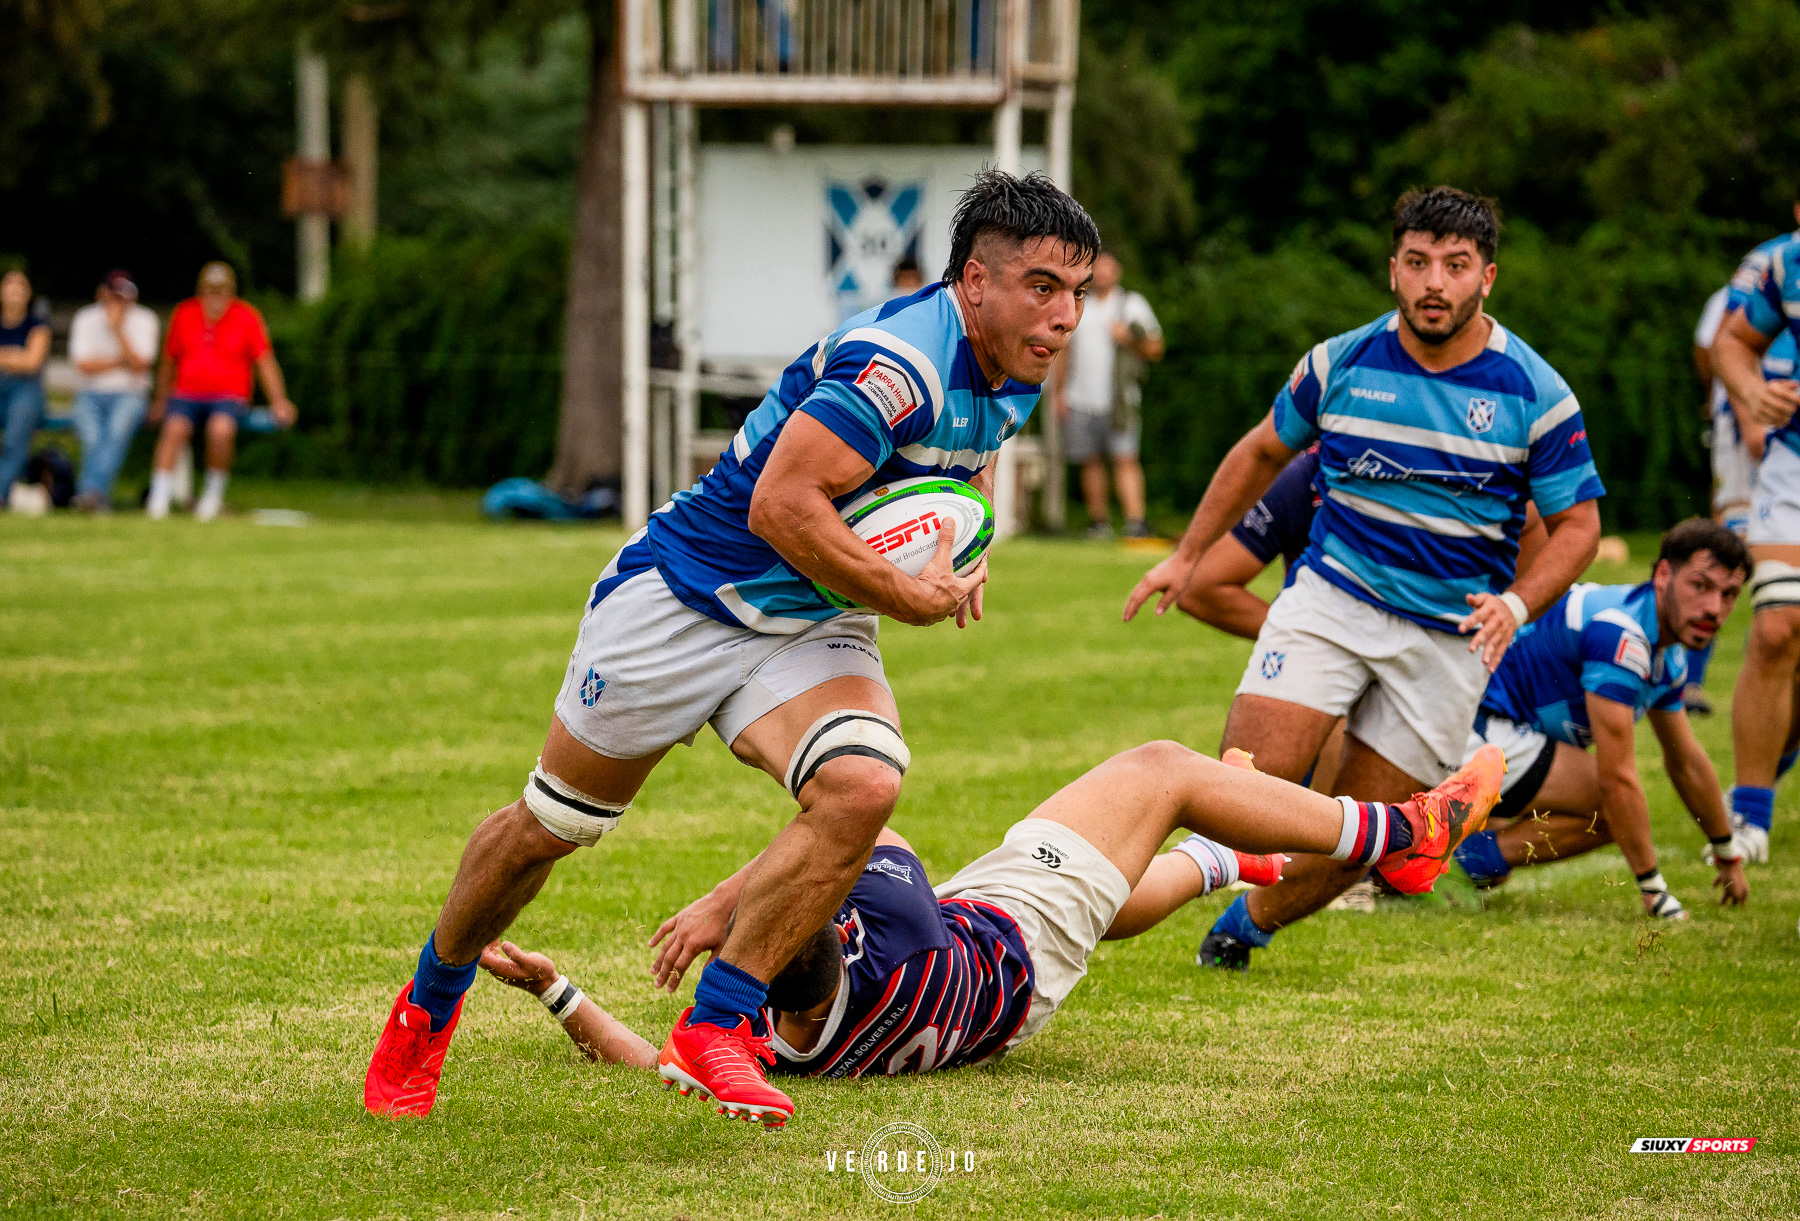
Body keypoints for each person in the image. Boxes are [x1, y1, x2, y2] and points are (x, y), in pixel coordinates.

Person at [363, 171, 1101, 1127]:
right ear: (974, 281)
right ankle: (427, 1006)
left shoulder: (1016, 363)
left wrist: (968, 537)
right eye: (1042, 286)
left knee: (863, 786)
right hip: (685, 600)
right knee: (548, 830)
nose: (1064, 314)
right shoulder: (898, 369)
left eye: (1077, 291)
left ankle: (717, 1023)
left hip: (810, 620)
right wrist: (907, 597)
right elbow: (781, 505)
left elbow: (968, 459)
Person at [1123, 187, 1604, 971]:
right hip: (1331, 602)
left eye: (1456, 265)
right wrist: (1187, 555)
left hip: (1449, 635)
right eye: (1418, 262)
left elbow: (1579, 526)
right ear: (1392, 270)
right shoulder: (1339, 363)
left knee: (1369, 836)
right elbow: (1260, 450)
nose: (1434, 283)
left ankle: (1245, 924)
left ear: (1488, 277)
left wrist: (1518, 604)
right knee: (1238, 790)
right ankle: (1161, 877)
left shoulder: (1536, 394)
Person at [476, 740, 1504, 1106]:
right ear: (836, 928)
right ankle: (1400, 834)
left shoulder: (763, 1042)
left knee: (1101, 895)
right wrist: (723, 901)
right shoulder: (892, 919)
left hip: (999, 1005)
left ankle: (1231, 858)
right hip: (997, 939)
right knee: (1160, 771)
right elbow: (855, 830)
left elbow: (655, 1063)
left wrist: (558, 992)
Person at [1450, 520, 1750, 919]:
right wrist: (1653, 888)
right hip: (1473, 727)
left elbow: (1686, 761)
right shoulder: (1621, 636)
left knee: (1598, 813)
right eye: (1700, 586)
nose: (1714, 608)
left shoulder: (1665, 652)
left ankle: (1458, 857)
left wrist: (1727, 853)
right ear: (1663, 574)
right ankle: (1462, 860)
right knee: (1614, 807)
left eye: (1729, 594)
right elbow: (1616, 781)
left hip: (1495, 732)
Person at [1711, 222, 1800, 865]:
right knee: (1777, 628)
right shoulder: (1787, 263)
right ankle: (1749, 818)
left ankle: (1758, 781)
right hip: (1792, 466)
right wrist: (1751, 393)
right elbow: (1732, 341)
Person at [147, 262, 296, 521]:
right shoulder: (184, 313)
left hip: (229, 395)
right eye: (211, 291)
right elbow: (169, 361)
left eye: (222, 291)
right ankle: (159, 496)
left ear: (231, 292)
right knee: (174, 428)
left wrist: (279, 400)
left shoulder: (247, 316)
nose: (216, 297)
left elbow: (264, 362)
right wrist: (161, 400)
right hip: (187, 393)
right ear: (201, 291)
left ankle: (212, 495)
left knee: (220, 430)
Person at [1050, 252, 1163, 539]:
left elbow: (1156, 349)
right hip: (1080, 398)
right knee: (1090, 461)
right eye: (1096, 269)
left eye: (1107, 269)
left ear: (1117, 272)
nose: (1101, 274)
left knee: (1126, 458)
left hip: (1121, 401)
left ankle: (1135, 522)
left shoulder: (1132, 304)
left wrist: (1129, 337)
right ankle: (1098, 523)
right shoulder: (1078, 303)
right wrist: (1059, 393)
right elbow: (1063, 352)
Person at [68, 271, 160, 511]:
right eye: (115, 296)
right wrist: (122, 362)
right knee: (92, 438)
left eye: (124, 298)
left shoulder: (145, 319)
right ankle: (95, 496)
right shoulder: (85, 318)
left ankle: (90, 494)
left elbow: (141, 365)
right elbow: (84, 365)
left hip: (130, 393)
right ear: (102, 294)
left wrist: (118, 330)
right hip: (90, 393)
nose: (120, 303)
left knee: (117, 431)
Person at [0, 270, 52, 503]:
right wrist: (15, 355)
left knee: (15, 437)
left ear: (28, 294)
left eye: (20, 286)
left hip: (25, 390)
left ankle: (1, 491)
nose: (14, 291)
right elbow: (25, 359)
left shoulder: (37, 325)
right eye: (9, 285)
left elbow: (32, 363)